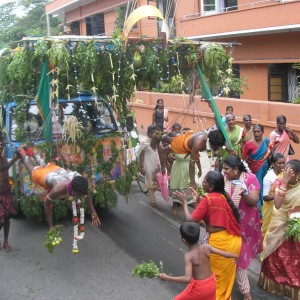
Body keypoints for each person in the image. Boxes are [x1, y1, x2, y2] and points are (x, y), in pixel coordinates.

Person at [175, 171, 242, 300]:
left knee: (214, 282)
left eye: (204, 181)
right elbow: (213, 210)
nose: (202, 183)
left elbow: (190, 220)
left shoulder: (209, 199)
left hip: (221, 242)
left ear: (211, 187)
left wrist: (184, 203)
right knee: (222, 282)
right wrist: (199, 200)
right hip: (234, 242)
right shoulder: (222, 196)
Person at [17, 145, 100, 229]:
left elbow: (86, 194)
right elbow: (46, 204)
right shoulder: (58, 189)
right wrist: (51, 226)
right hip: (45, 176)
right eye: (79, 194)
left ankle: (30, 151)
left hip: (55, 170)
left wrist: (93, 212)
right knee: (31, 167)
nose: (80, 196)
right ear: (74, 190)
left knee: (43, 164)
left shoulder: (79, 179)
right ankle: (22, 151)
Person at [159, 222, 238, 300]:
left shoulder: (189, 256)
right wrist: (235, 256)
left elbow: (187, 279)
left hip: (200, 288)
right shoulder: (206, 247)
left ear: (184, 240)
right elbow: (226, 254)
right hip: (212, 283)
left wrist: (167, 277)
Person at [258, 159, 300, 299]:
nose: (284, 173)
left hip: (295, 224)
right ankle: (274, 285)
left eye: (289, 172)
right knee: (274, 256)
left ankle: (292, 287)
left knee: (293, 259)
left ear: (297, 175)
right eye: (284, 171)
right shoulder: (279, 182)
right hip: (279, 223)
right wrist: (285, 182)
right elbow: (277, 204)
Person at [223, 155, 262, 300]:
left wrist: (244, 192)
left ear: (236, 169)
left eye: (227, 169)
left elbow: (253, 202)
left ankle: (246, 292)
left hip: (246, 226)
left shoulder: (250, 179)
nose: (224, 172)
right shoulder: (224, 178)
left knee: (240, 257)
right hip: (227, 224)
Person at [161, 129, 226, 189]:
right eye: (216, 147)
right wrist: (192, 182)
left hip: (189, 144)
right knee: (168, 140)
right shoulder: (198, 143)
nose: (216, 149)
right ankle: (159, 136)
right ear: (211, 143)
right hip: (181, 144)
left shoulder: (211, 140)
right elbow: (192, 163)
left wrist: (200, 169)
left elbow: (196, 156)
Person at [242, 124, 272, 209]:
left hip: (265, 168)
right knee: (257, 185)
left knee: (265, 184)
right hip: (254, 169)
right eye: (254, 131)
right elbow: (243, 158)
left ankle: (265, 204)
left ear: (262, 132)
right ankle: (257, 205)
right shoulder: (248, 144)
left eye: (258, 131)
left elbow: (270, 153)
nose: (256, 133)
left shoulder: (267, 142)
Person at [0, 137, 20, 252]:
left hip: (7, 192)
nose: (1, 143)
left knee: (7, 219)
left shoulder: (2, 158)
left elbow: (6, 167)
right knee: (2, 220)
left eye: (2, 141)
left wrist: (16, 158)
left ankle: (5, 242)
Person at [261, 153, 285, 238]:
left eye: (283, 163)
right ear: (273, 164)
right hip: (270, 208)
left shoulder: (284, 174)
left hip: (281, 207)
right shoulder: (268, 177)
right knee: (268, 230)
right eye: (279, 163)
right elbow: (265, 197)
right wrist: (280, 195)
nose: (282, 165)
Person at [139, 125, 162, 207]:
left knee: (157, 183)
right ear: (148, 133)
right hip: (148, 164)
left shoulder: (157, 141)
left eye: (154, 133)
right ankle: (153, 199)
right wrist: (141, 167)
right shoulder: (144, 142)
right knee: (150, 181)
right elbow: (141, 155)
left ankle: (151, 193)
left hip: (157, 164)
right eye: (151, 133)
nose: (153, 135)